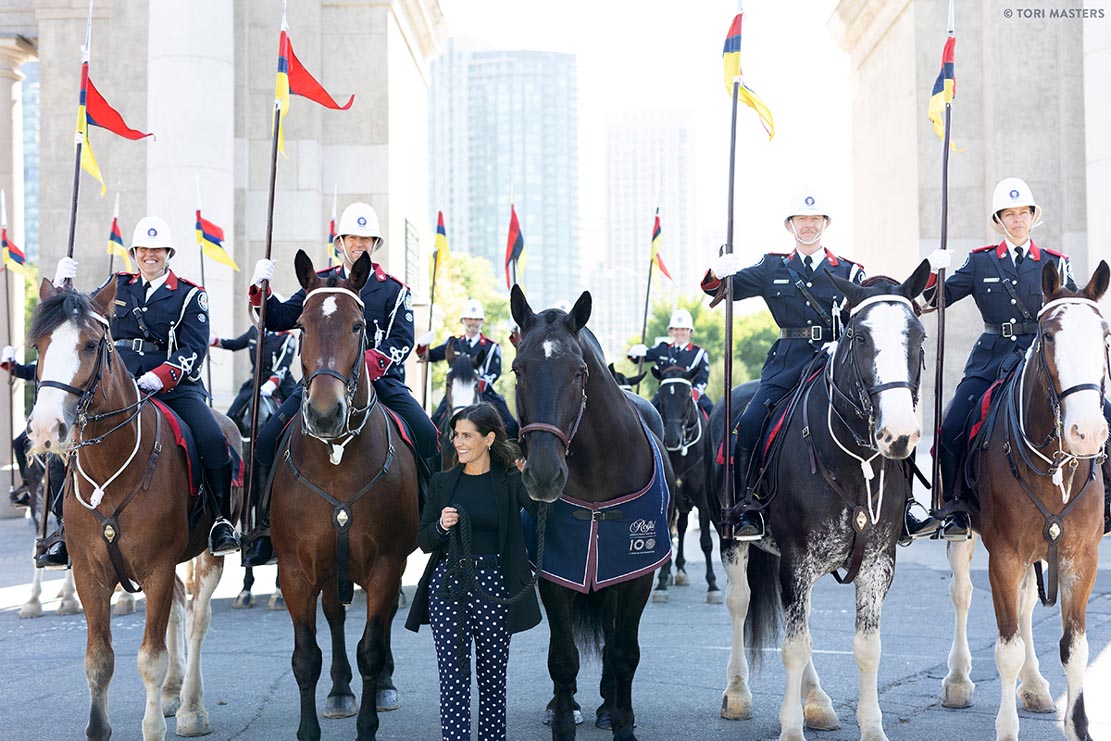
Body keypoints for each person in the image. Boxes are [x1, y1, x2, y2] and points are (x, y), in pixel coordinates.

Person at [704, 189, 932, 542]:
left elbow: (878, 314)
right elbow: (718, 290)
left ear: (825, 224)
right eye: (801, 220)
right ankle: (749, 506)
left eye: (815, 220)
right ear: (790, 226)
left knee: (889, 419)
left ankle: (906, 507)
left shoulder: (850, 271)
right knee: (749, 423)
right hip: (787, 360)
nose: (808, 226)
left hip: (835, 360)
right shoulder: (771, 268)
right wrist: (718, 272)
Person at [242, 201, 440, 566]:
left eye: (367, 239)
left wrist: (362, 365)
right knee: (267, 438)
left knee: (429, 437)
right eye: (353, 238)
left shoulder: (394, 290)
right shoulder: (318, 284)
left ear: (375, 244)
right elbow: (280, 317)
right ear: (341, 241)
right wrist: (260, 290)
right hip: (324, 385)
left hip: (381, 385)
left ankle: (432, 525)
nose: (359, 245)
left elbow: (401, 342)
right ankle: (263, 530)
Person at [38, 216, 240, 568]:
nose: (150, 255)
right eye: (144, 249)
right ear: (134, 253)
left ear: (168, 253)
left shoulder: (191, 295)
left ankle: (220, 521)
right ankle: (61, 530)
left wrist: (160, 377)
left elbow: (194, 349)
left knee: (211, 437)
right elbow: (74, 319)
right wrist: (62, 286)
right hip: (119, 384)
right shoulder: (117, 286)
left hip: (174, 388)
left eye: (157, 249)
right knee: (65, 445)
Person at [925, 177, 1111, 538]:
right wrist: (936, 270)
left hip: (1040, 356)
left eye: (1023, 213)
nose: (1017, 220)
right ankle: (956, 510)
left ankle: (1108, 500)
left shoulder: (1056, 262)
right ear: (999, 220)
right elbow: (935, 300)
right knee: (951, 427)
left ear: (1032, 217)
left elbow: (1071, 310)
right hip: (991, 357)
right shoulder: (979, 263)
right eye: (1009, 215)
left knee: (1105, 412)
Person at [404, 403, 541, 741]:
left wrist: (529, 477)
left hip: (495, 584)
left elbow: (539, 510)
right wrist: (441, 524)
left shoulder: (509, 481)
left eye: (467, 435)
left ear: (489, 438)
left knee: (493, 679)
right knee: (453, 678)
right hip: (449, 585)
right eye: (456, 435)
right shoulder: (441, 482)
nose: (458, 442)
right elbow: (423, 540)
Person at [417, 299, 519, 438]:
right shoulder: (454, 342)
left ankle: (514, 453)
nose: (473, 323)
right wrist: (422, 345)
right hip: (456, 391)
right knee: (433, 424)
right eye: (469, 319)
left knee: (510, 424)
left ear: (481, 321)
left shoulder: (491, 346)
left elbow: (495, 371)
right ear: (463, 321)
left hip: (482, 392)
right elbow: (430, 356)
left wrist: (481, 382)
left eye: (476, 319)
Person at [0, 351, 64, 510]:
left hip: (58, 420)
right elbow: (24, 372)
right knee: (19, 443)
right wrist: (10, 362)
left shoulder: (62, 362)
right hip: (40, 419)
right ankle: (31, 488)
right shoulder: (41, 363)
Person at [210, 325, 297, 436]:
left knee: (296, 410)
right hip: (256, 382)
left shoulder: (287, 337)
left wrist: (272, 384)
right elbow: (234, 344)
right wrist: (214, 341)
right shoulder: (254, 331)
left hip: (280, 383)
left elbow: (283, 366)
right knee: (232, 414)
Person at [627, 308, 714, 417]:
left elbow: (702, 379)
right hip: (664, 395)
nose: (679, 333)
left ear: (690, 332)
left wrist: (695, 393)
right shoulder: (662, 349)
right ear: (671, 331)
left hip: (688, 394)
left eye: (683, 329)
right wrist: (635, 351)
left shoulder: (699, 353)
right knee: (645, 416)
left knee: (715, 416)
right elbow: (635, 359)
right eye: (676, 329)